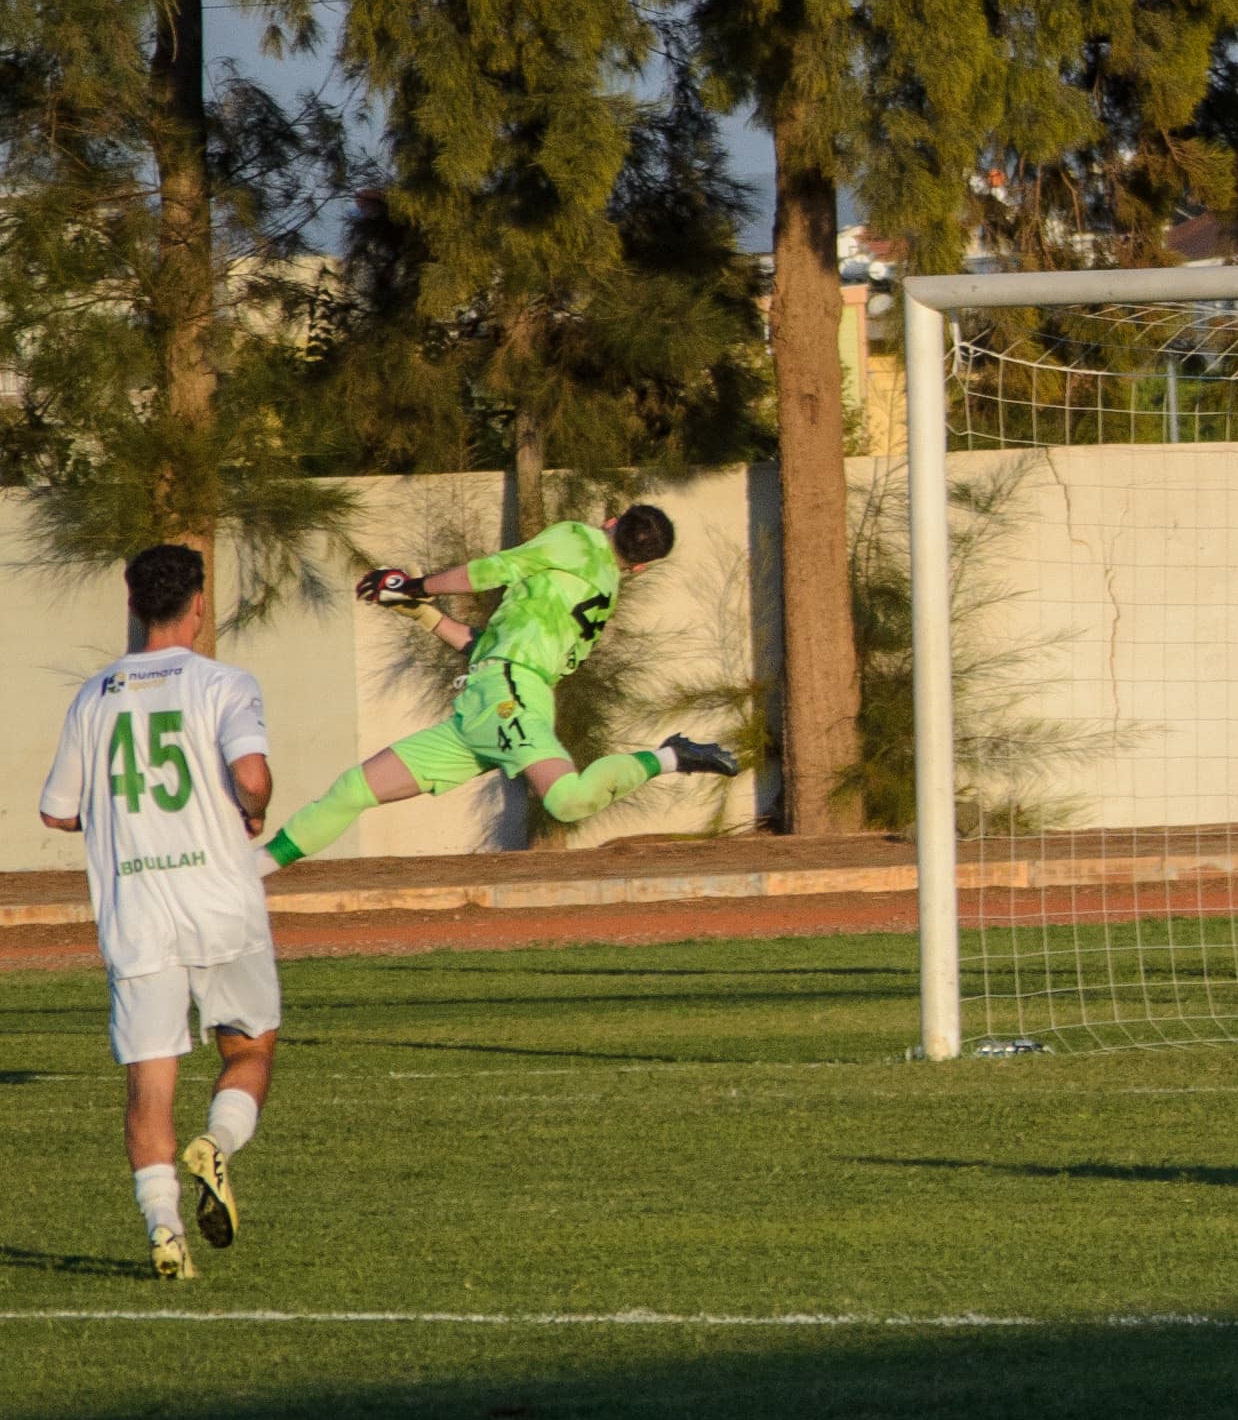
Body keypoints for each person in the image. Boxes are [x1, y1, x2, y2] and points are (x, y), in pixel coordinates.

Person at [40, 546, 282, 1279]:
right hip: (219, 901)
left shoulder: (93, 695)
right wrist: (253, 809)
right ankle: (217, 1142)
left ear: (132, 603)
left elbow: (58, 812)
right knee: (249, 1047)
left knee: (150, 1079)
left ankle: (164, 1228)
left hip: (136, 911)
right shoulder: (224, 682)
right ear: (200, 605)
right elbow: (250, 775)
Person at [256, 507, 737, 874]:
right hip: (485, 708)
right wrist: (417, 609)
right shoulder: (594, 601)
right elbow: (486, 649)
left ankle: (670, 757)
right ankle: (252, 870)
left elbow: (491, 571)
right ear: (639, 569)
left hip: (508, 698)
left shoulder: (579, 538)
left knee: (567, 801)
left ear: (610, 521)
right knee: (353, 789)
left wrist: (418, 585)